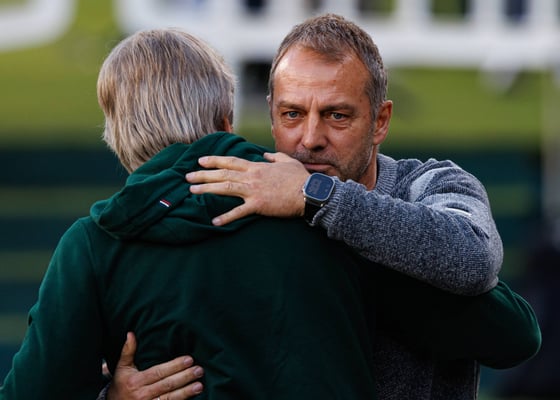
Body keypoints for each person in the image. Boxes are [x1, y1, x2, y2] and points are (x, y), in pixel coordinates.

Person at [0, 24, 540, 400]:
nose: (311, 138)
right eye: (292, 114)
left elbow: (499, 309)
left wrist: (319, 200)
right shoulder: (277, 211)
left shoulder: (417, 189)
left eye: (337, 116)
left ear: (380, 121)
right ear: (241, 117)